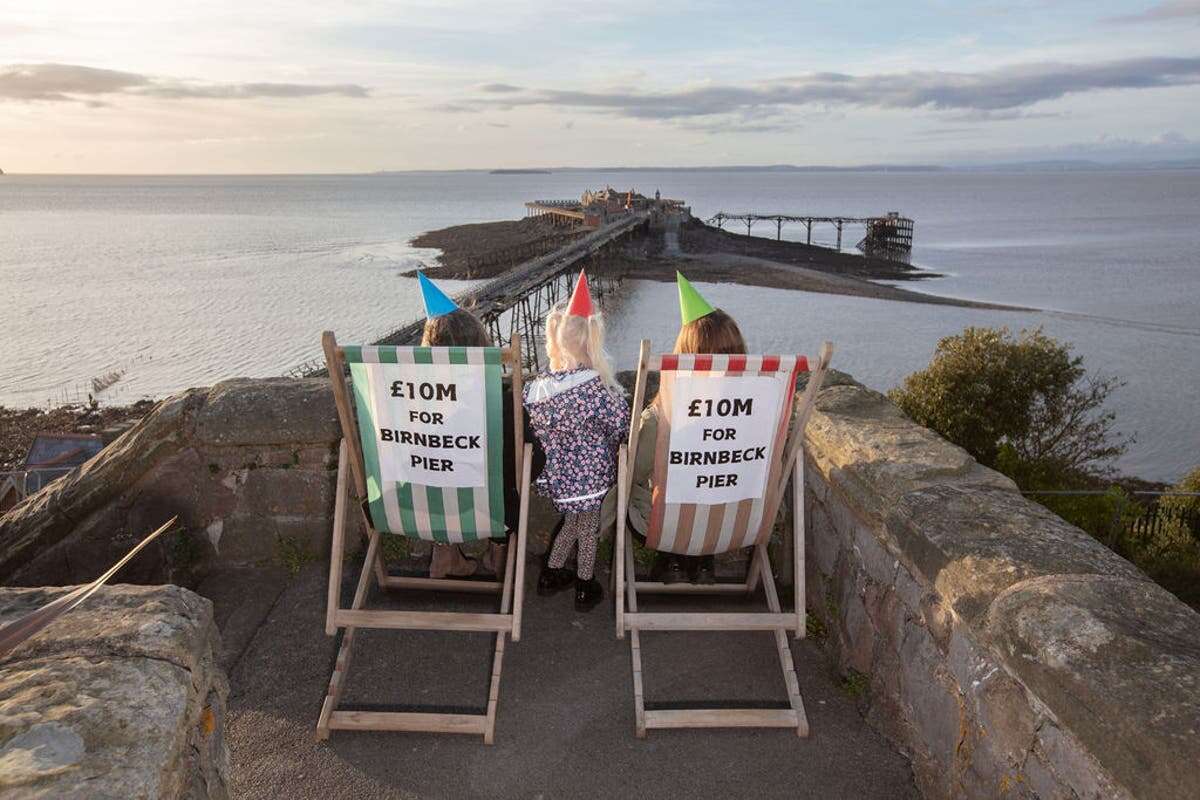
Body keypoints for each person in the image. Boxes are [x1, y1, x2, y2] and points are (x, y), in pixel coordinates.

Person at [601, 271, 748, 585]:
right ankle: (703, 564)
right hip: (733, 526)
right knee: (714, 484)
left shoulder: (663, 415)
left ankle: (673, 560)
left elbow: (632, 473)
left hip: (668, 529)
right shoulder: (753, 415)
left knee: (633, 479)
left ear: (686, 356)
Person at [415, 272, 542, 579]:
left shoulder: (413, 409)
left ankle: (444, 556)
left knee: (430, 471)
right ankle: (499, 554)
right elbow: (534, 462)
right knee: (509, 476)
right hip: (493, 513)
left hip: (420, 511)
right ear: (482, 347)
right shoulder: (502, 404)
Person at [524, 270, 629, 611]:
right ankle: (585, 584)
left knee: (572, 522)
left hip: (559, 478)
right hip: (593, 477)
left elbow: (532, 422)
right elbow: (620, 426)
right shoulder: (599, 388)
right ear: (594, 341)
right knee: (588, 528)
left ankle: (550, 574)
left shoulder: (539, 388)